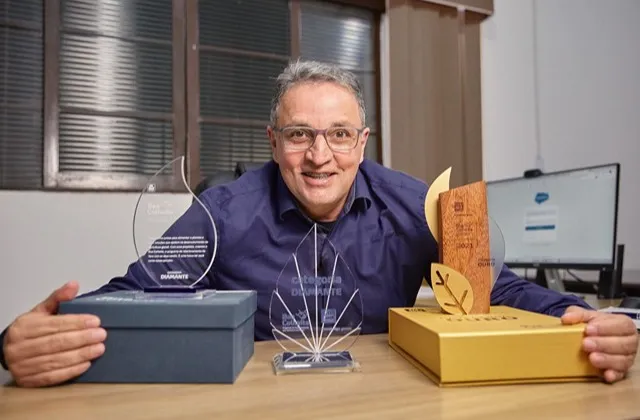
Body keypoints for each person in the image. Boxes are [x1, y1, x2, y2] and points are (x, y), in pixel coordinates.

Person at [1, 60, 637, 388]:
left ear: (363, 141)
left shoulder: (417, 204)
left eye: (338, 134)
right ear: (274, 142)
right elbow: (136, 294)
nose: (320, 155)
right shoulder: (220, 213)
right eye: (300, 134)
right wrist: (21, 340)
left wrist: (579, 316)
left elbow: (497, 290)